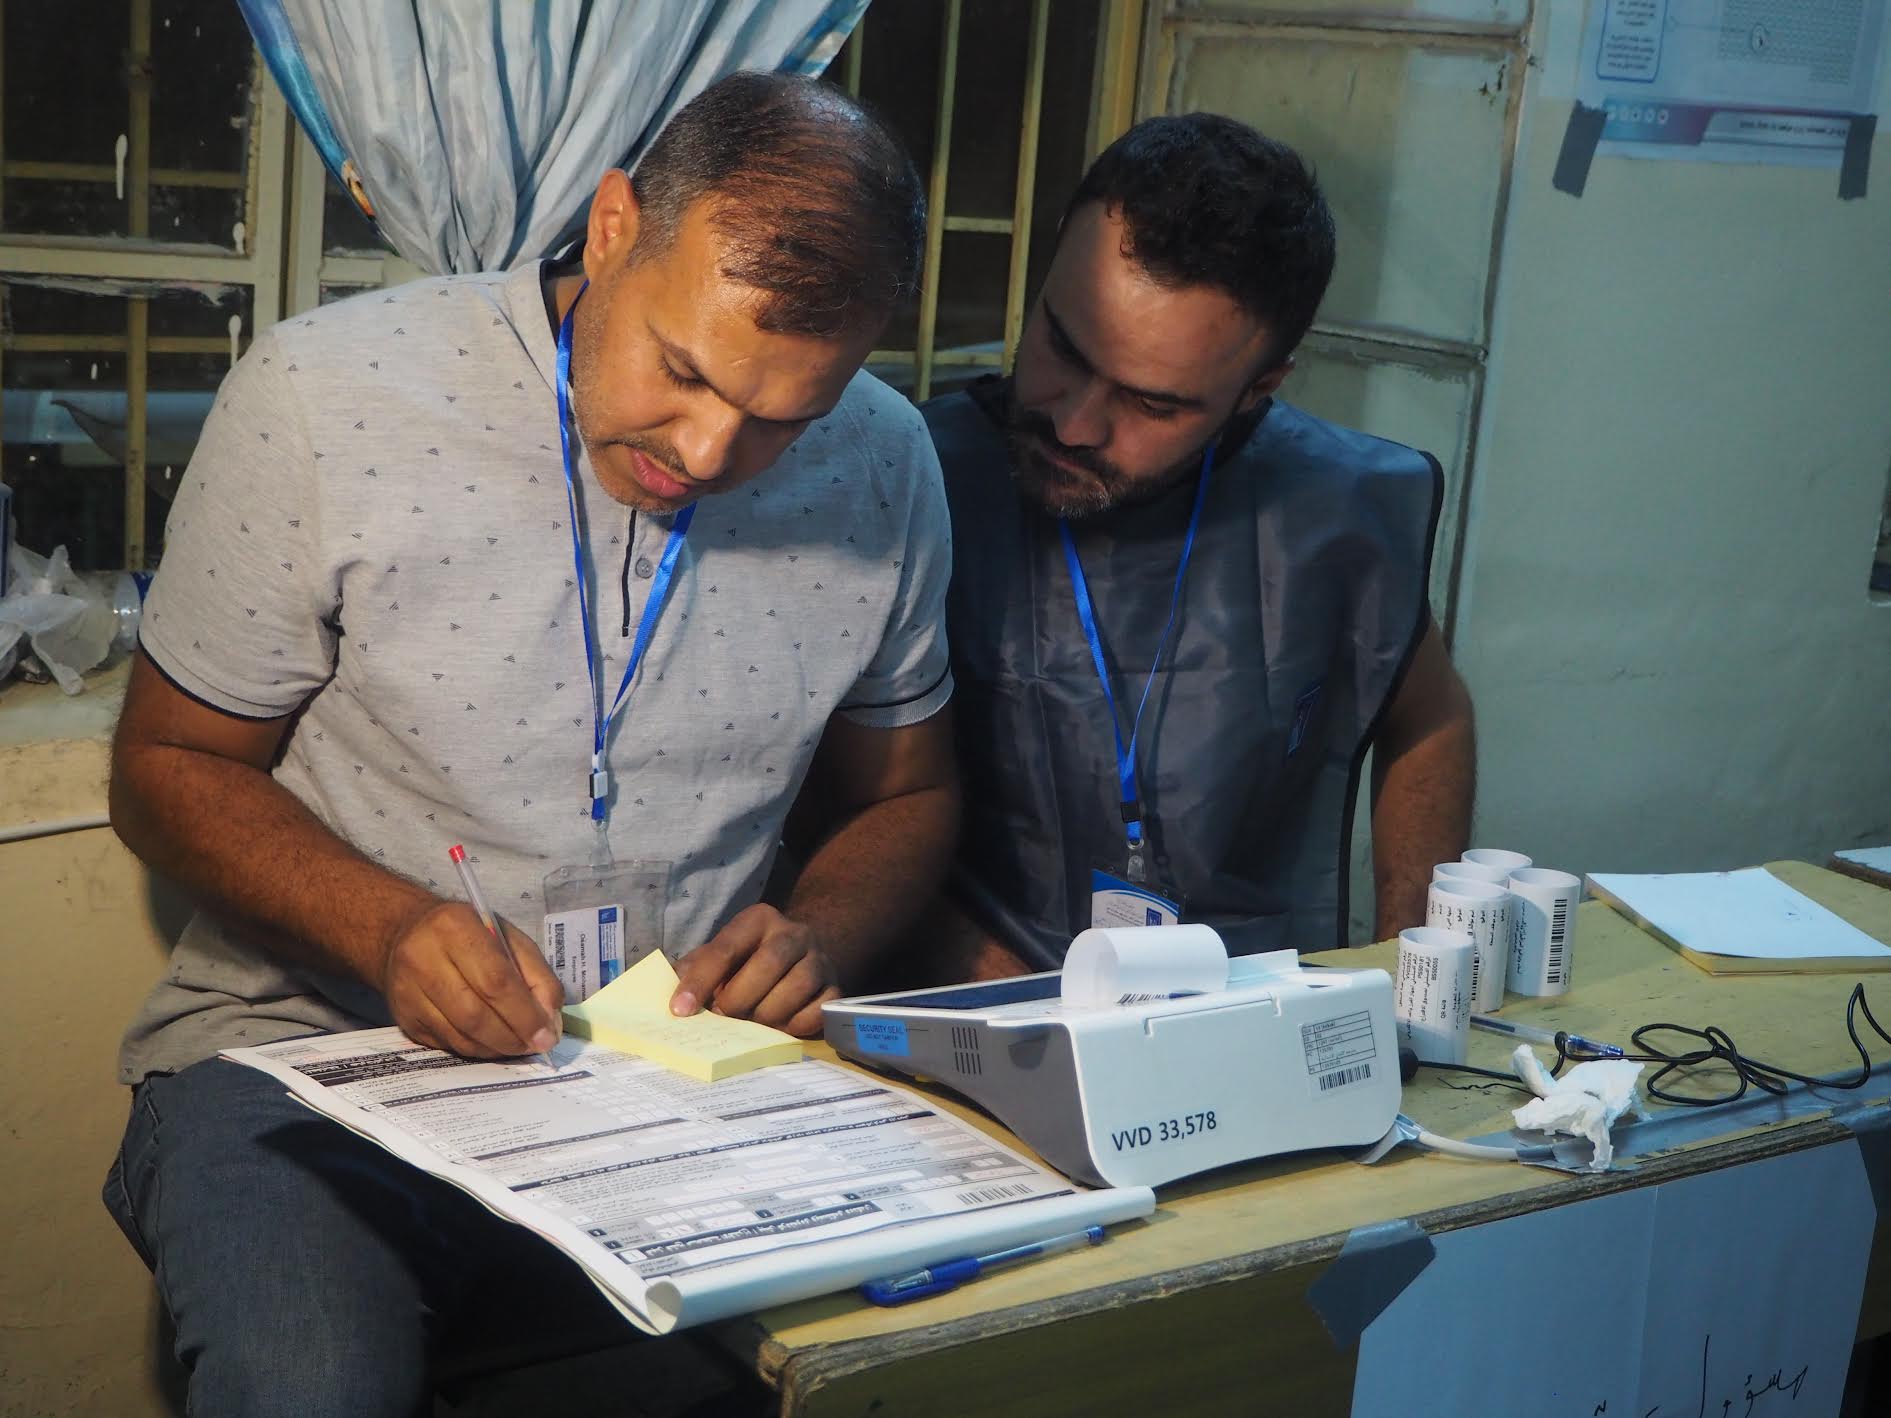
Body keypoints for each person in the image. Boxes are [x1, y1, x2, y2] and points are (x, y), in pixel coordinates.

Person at [102, 73, 956, 1416]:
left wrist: (823, 931)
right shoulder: (330, 396)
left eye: (782, 418)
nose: (708, 447)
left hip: (669, 1089)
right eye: (680, 369)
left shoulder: (890, 463)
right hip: (307, 1061)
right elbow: (165, 767)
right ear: (613, 225)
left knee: (906, 1360)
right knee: (310, 1384)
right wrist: (389, 929)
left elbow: (912, 793)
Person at [916, 113, 1475, 980]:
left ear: (1257, 388)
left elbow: (1429, 718)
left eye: (1151, 404)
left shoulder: (1339, 510)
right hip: (966, 1005)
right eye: (1061, 345)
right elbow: (829, 801)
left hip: (1244, 1001)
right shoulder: (914, 480)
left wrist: (1414, 965)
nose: (1072, 421)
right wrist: (1006, 989)